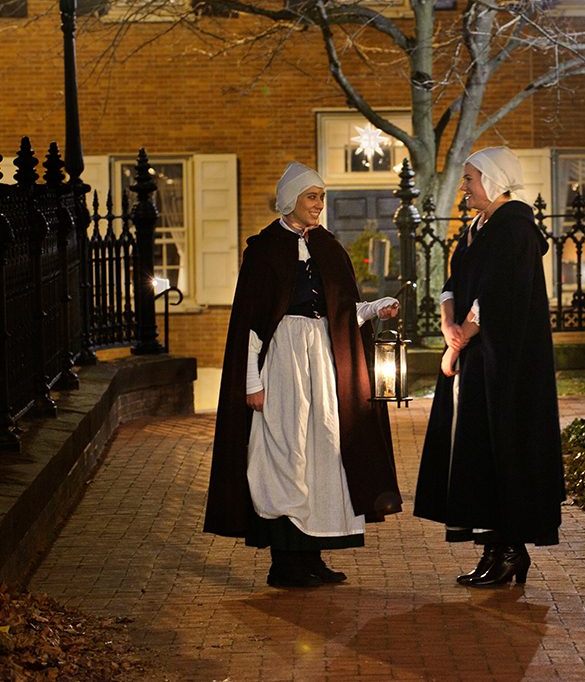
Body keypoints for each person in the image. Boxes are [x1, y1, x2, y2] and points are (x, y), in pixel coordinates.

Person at [204, 162, 402, 588]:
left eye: (322, 197)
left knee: (322, 452)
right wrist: (252, 382)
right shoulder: (264, 250)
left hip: (323, 361)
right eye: (312, 196)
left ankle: (311, 556)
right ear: (290, 199)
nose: (319, 204)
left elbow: (342, 311)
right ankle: (285, 561)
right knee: (285, 452)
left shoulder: (328, 246)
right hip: (282, 360)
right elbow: (251, 324)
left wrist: (375, 308)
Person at [414, 147, 565, 587]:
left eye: (470, 178)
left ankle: (510, 550)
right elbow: (455, 283)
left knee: (503, 447)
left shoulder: (514, 229)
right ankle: (492, 550)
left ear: (495, 180)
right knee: (479, 450)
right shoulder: (478, 228)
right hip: (477, 359)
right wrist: (449, 326)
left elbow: (499, 296)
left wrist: (460, 337)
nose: (464, 187)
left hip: (505, 363)